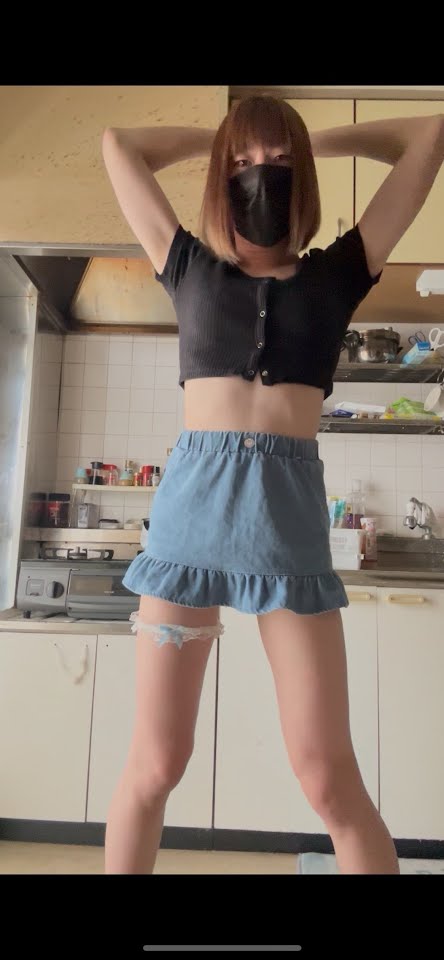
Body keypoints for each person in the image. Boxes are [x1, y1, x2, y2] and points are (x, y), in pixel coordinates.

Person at [102, 95, 444, 874]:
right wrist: (225, 138)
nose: (263, 176)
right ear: (222, 178)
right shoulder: (185, 263)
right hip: (188, 525)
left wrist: (311, 140)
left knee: (328, 778)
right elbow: (120, 146)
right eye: (245, 165)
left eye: (281, 165)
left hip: (285, 532)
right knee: (155, 765)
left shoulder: (341, 272)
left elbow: (431, 135)